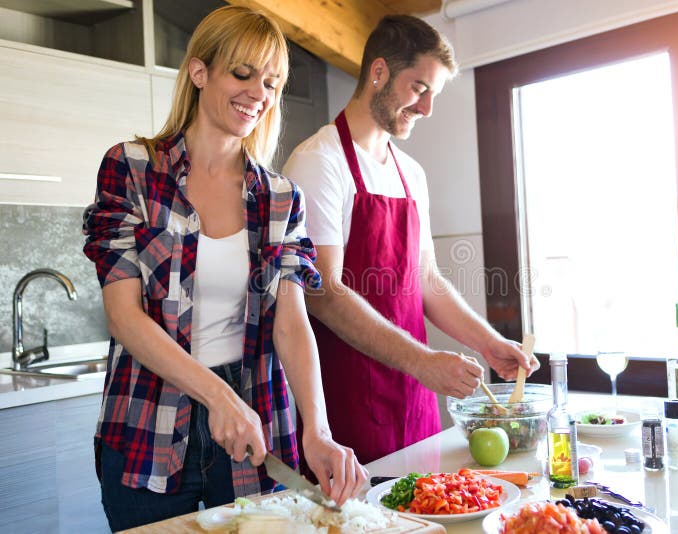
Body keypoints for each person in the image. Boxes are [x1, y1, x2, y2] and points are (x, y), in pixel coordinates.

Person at [82, 6, 366, 531]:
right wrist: (217, 396)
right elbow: (123, 317)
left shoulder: (280, 196)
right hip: (148, 416)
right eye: (242, 73)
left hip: (254, 422)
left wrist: (317, 429)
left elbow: (291, 322)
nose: (258, 93)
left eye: (271, 82)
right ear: (199, 72)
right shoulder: (133, 169)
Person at [283, 15, 537, 466]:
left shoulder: (411, 174)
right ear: (378, 72)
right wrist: (422, 361)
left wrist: (488, 342)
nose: (426, 109)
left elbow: (427, 280)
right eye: (419, 88)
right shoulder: (318, 163)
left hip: (415, 406)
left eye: (432, 94)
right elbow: (323, 292)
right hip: (347, 408)